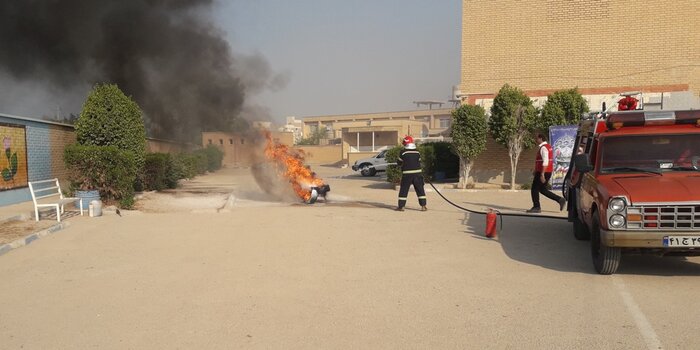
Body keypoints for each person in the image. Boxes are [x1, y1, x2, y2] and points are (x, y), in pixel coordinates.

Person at [528, 133, 566, 213]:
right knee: (542, 189)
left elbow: (545, 161)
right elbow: (541, 161)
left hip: (543, 172)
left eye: (537, 138)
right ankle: (560, 199)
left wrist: (542, 174)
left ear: (541, 138)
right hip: (545, 171)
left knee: (534, 189)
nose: (536, 140)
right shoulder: (548, 147)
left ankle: (536, 207)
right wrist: (536, 169)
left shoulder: (543, 148)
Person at [396, 136, 427, 211]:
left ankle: (401, 207)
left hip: (407, 174)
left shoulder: (403, 152)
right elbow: (419, 161)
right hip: (418, 174)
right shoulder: (417, 152)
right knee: (420, 190)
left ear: (405, 143)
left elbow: (399, 162)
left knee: (404, 190)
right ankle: (423, 206)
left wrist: (400, 164)